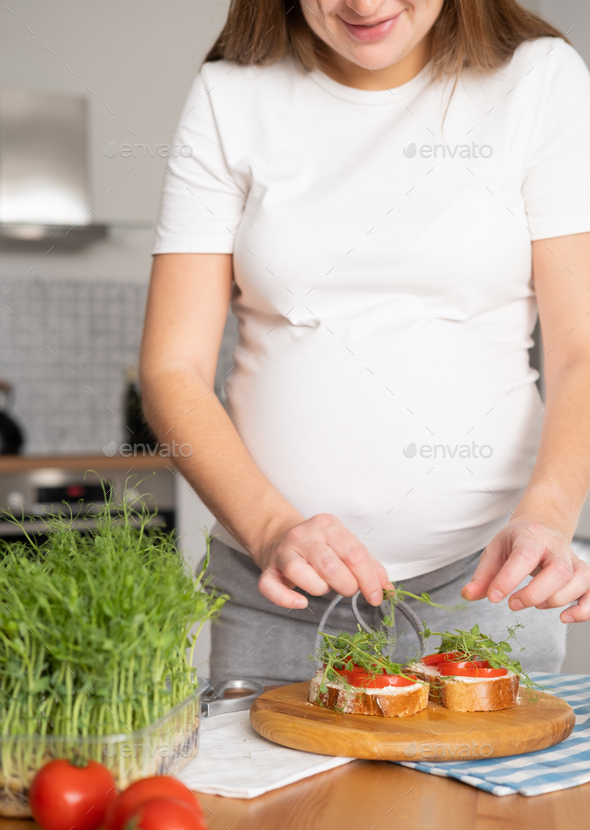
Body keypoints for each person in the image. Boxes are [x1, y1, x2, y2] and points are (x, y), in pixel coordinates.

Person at [141, 0, 590, 686]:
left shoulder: (539, 81)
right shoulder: (231, 95)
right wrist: (270, 530)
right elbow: (172, 368)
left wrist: (551, 516)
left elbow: (578, 348)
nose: (364, 4)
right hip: (281, 599)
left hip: (491, 588)